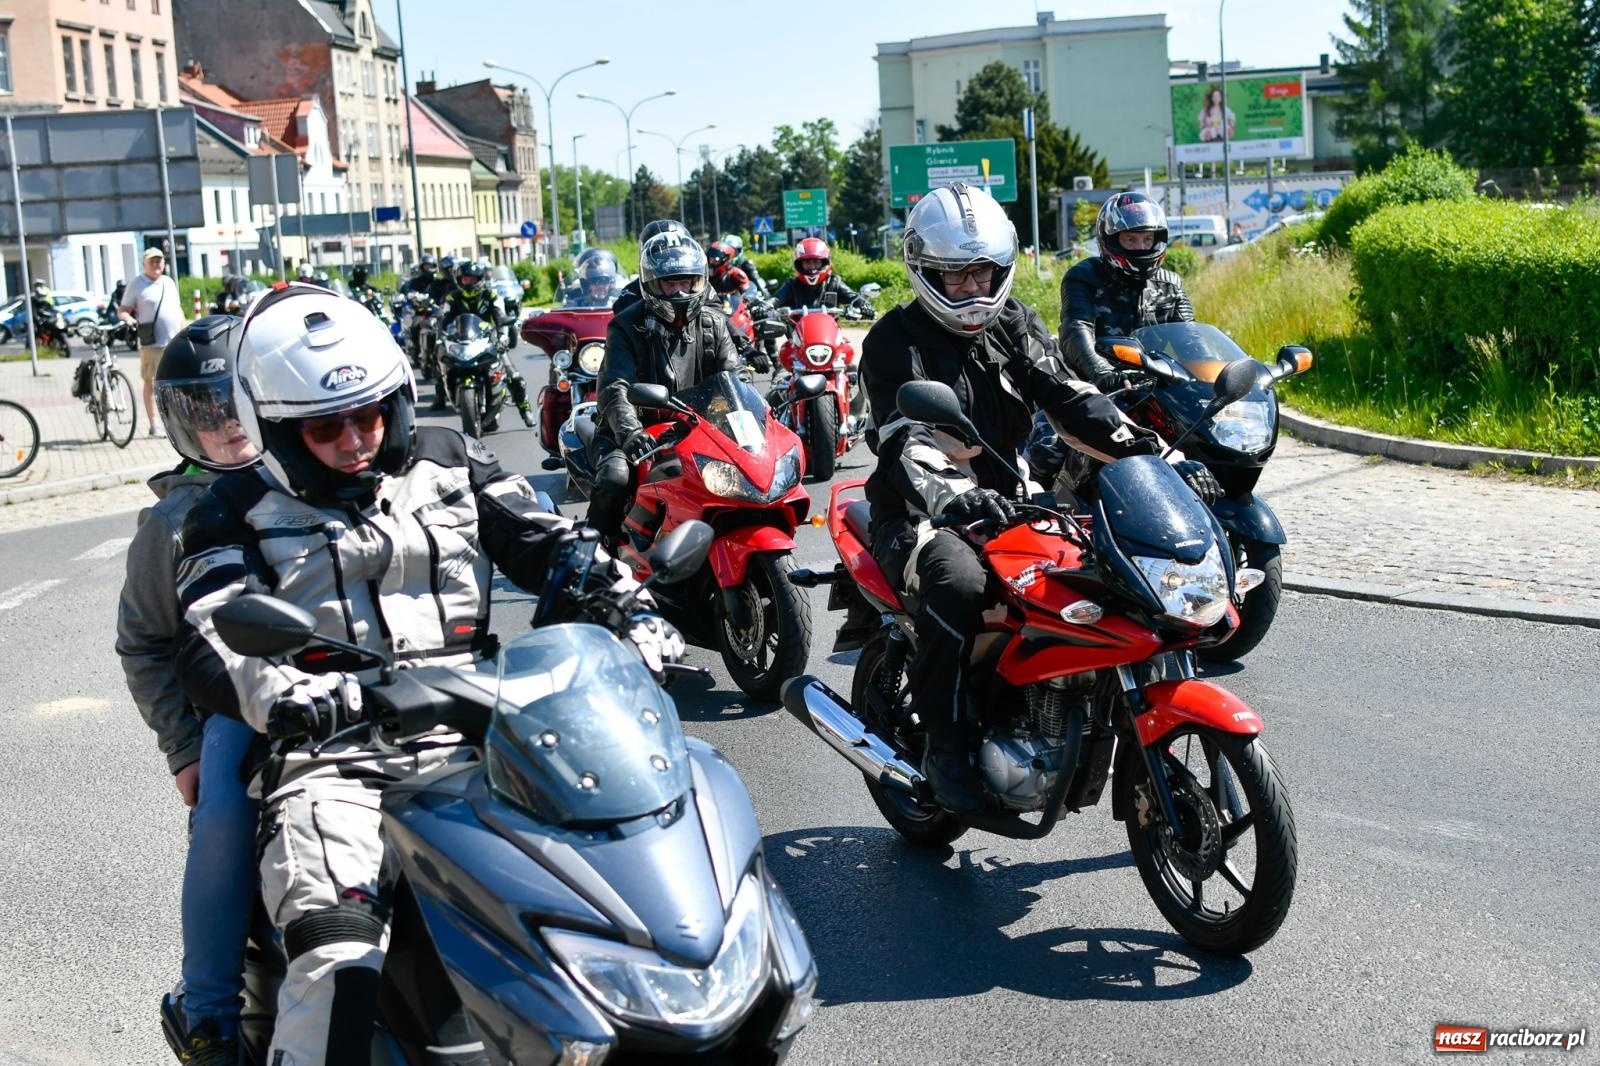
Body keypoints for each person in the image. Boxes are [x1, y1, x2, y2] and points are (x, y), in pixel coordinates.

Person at [172, 283, 682, 1066]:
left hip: (491, 737)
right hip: (336, 758)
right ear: (274, 428)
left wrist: (626, 604)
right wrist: (295, 697)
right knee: (337, 956)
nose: (355, 440)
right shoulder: (231, 508)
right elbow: (212, 633)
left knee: (625, 900)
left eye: (369, 415)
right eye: (325, 426)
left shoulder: (451, 460)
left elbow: (546, 539)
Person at [860, 182, 1219, 813]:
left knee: (1106, 572)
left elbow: (1070, 396)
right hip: (922, 512)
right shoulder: (893, 341)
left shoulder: (1014, 323)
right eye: (956, 275)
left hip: (1014, 499)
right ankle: (945, 749)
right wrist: (957, 498)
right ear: (924, 270)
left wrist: (1158, 456)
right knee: (960, 583)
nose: (973, 289)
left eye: (983, 273)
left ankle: (1065, 706)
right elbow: (903, 438)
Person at [116, 316, 262, 1066]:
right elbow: (143, 642)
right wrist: (184, 749)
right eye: (205, 411)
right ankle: (206, 1011)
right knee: (225, 803)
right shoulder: (175, 518)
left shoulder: (321, 472)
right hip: (241, 706)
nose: (227, 424)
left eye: (239, 401)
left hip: (359, 687)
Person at [589, 230, 740, 550]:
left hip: (698, 427)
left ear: (700, 281)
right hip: (636, 428)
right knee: (615, 476)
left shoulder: (714, 323)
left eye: (687, 282)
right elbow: (615, 387)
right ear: (652, 284)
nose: (680, 291)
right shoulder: (626, 326)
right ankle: (596, 548)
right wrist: (630, 434)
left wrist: (746, 421)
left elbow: (735, 378)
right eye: (670, 283)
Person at [1058, 192, 1195, 395]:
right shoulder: (1084, 277)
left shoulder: (1171, 285)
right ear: (1110, 240)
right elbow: (1076, 330)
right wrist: (1104, 373)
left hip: (1155, 389)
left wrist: (1209, 375)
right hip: (1097, 389)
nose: (1141, 247)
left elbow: (1191, 341)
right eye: (1130, 239)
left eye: (1147, 239)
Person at [437, 257, 534, 425]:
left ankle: (524, 409)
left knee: (514, 376)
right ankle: (440, 396)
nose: (468, 283)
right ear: (459, 280)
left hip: (488, 342)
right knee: (442, 365)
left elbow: (500, 317)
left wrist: (503, 336)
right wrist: (441, 335)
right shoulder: (452, 298)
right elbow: (444, 320)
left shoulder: (491, 295)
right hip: (462, 343)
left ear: (479, 279)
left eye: (471, 279)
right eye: (465, 279)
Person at [120, 247, 187, 435]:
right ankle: (154, 424)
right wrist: (130, 320)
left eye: (159, 261)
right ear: (144, 264)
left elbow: (178, 309)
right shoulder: (137, 284)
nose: (156, 264)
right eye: (152, 261)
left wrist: (184, 331)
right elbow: (123, 310)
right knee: (151, 383)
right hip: (152, 344)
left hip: (173, 341)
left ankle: (177, 421)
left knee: (176, 383)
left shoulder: (169, 282)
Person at [771, 237, 870, 317]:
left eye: (816, 262)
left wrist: (864, 305)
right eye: (807, 262)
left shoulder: (834, 282)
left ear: (824, 263)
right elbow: (776, 299)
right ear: (799, 265)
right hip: (798, 334)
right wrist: (766, 306)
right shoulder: (792, 285)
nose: (812, 267)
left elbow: (853, 297)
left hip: (829, 333)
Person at [612, 219, 690, 316]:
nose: (672, 259)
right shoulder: (632, 293)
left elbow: (709, 307)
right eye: (662, 253)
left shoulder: (699, 284)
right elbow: (622, 316)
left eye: (677, 253)